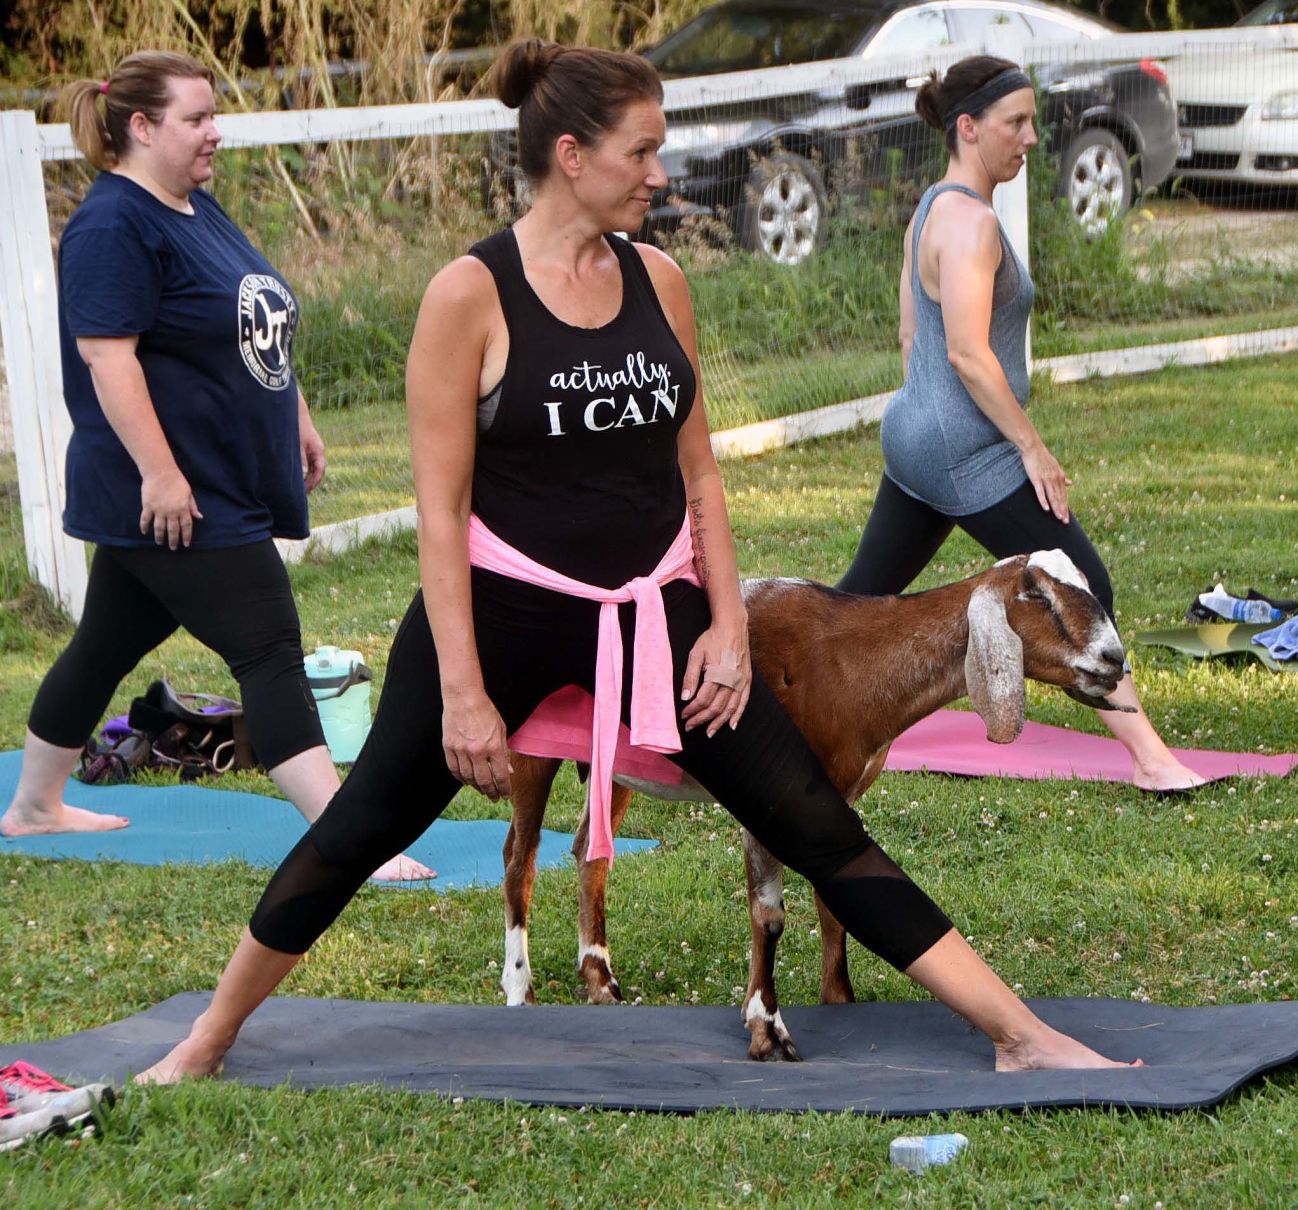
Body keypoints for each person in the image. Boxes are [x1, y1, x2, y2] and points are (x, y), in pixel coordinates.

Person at [137, 41, 1141, 1084]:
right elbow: (438, 518)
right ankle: (206, 1041)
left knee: (816, 823)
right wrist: (467, 695)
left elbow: (699, 477)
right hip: (499, 615)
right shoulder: (466, 297)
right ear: (571, 155)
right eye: (643, 151)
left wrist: (726, 626)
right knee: (356, 830)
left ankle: (1018, 1035)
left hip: (656, 614)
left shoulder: (660, 280)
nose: (662, 173)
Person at [0, 51, 433, 882]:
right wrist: (161, 477)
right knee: (269, 647)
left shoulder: (194, 207)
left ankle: (33, 807)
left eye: (212, 115)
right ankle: (347, 842)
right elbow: (107, 359)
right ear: (141, 126)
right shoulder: (112, 225)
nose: (214, 132)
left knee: (102, 645)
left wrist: (294, 413)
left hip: (212, 481)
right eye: (196, 118)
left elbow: (252, 317)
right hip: (172, 495)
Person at [836, 56, 1203, 792]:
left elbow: (914, 336)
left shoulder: (933, 207)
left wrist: (930, 416)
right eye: (1016, 122)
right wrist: (1030, 448)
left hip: (919, 435)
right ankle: (1153, 761)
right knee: (1079, 586)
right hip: (962, 450)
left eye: (1032, 121)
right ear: (967, 128)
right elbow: (969, 354)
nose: (1031, 137)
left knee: (860, 601)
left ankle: (760, 692)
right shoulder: (970, 224)